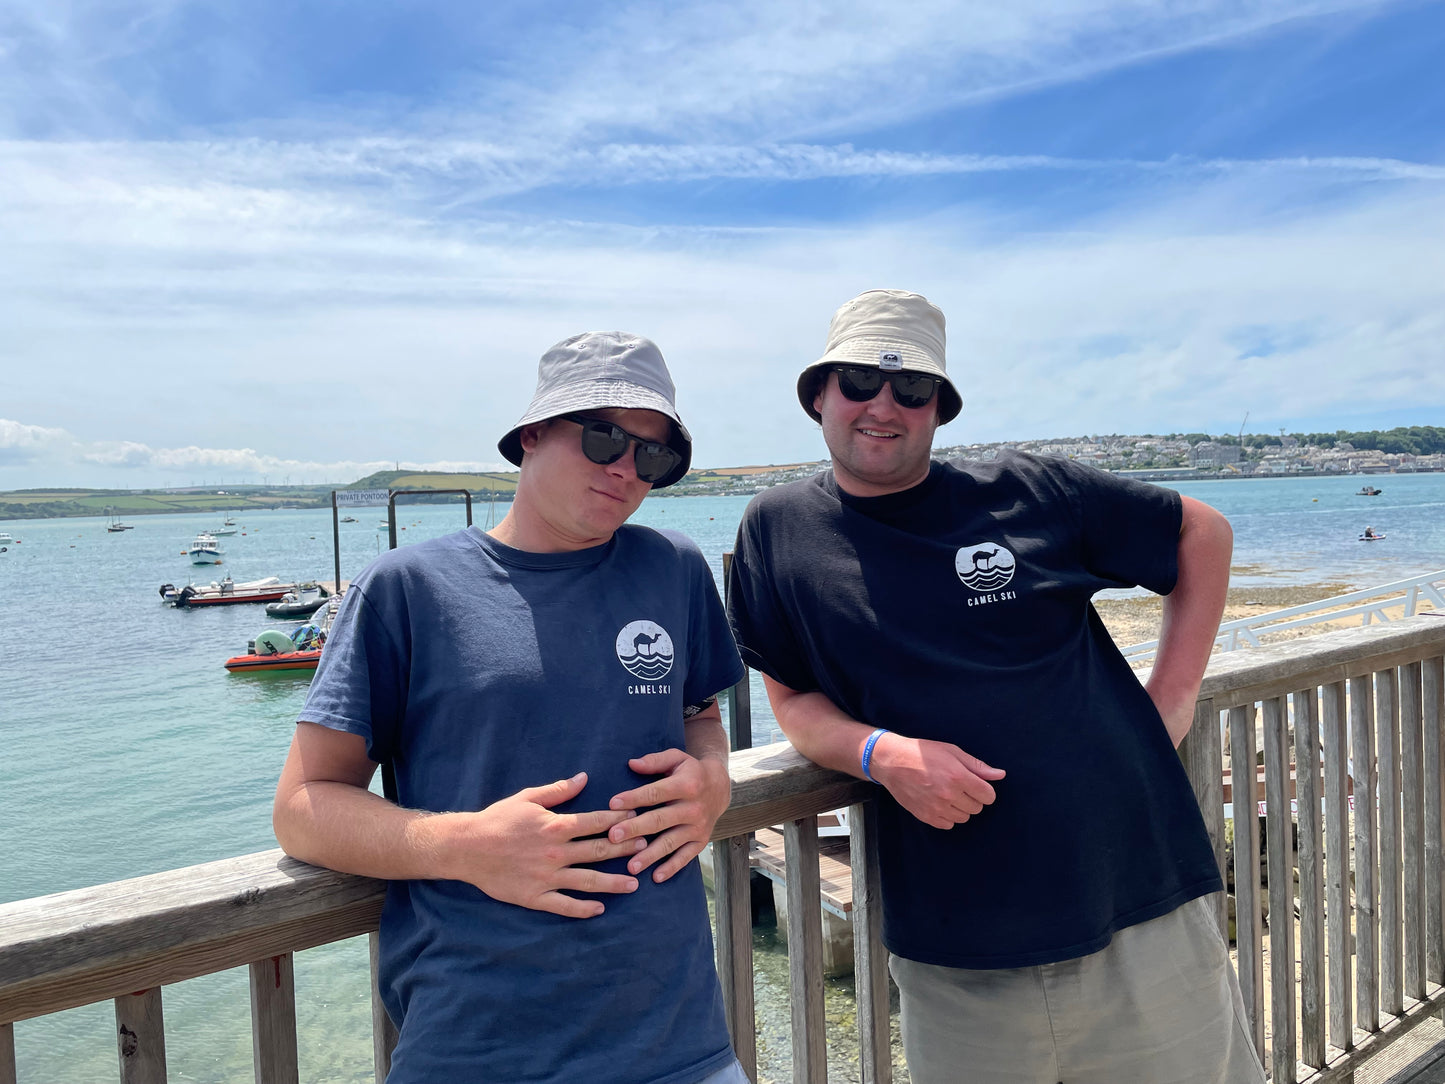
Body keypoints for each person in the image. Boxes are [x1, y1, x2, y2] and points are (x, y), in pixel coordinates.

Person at [726, 289, 1262, 1083]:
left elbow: (1200, 531)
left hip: (1139, 898)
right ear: (818, 395)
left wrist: (1171, 699)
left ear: (939, 406)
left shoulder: (1029, 489)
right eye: (859, 382)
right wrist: (880, 753)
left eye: (911, 388)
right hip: (956, 940)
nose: (884, 405)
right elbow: (794, 699)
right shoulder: (775, 528)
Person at [274, 331, 748, 1084]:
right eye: (604, 439)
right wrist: (463, 846)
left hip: (679, 1039)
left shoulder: (674, 569)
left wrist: (714, 779)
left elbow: (699, 716)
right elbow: (303, 806)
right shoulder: (406, 590)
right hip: (476, 1045)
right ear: (532, 435)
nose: (626, 470)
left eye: (651, 456)